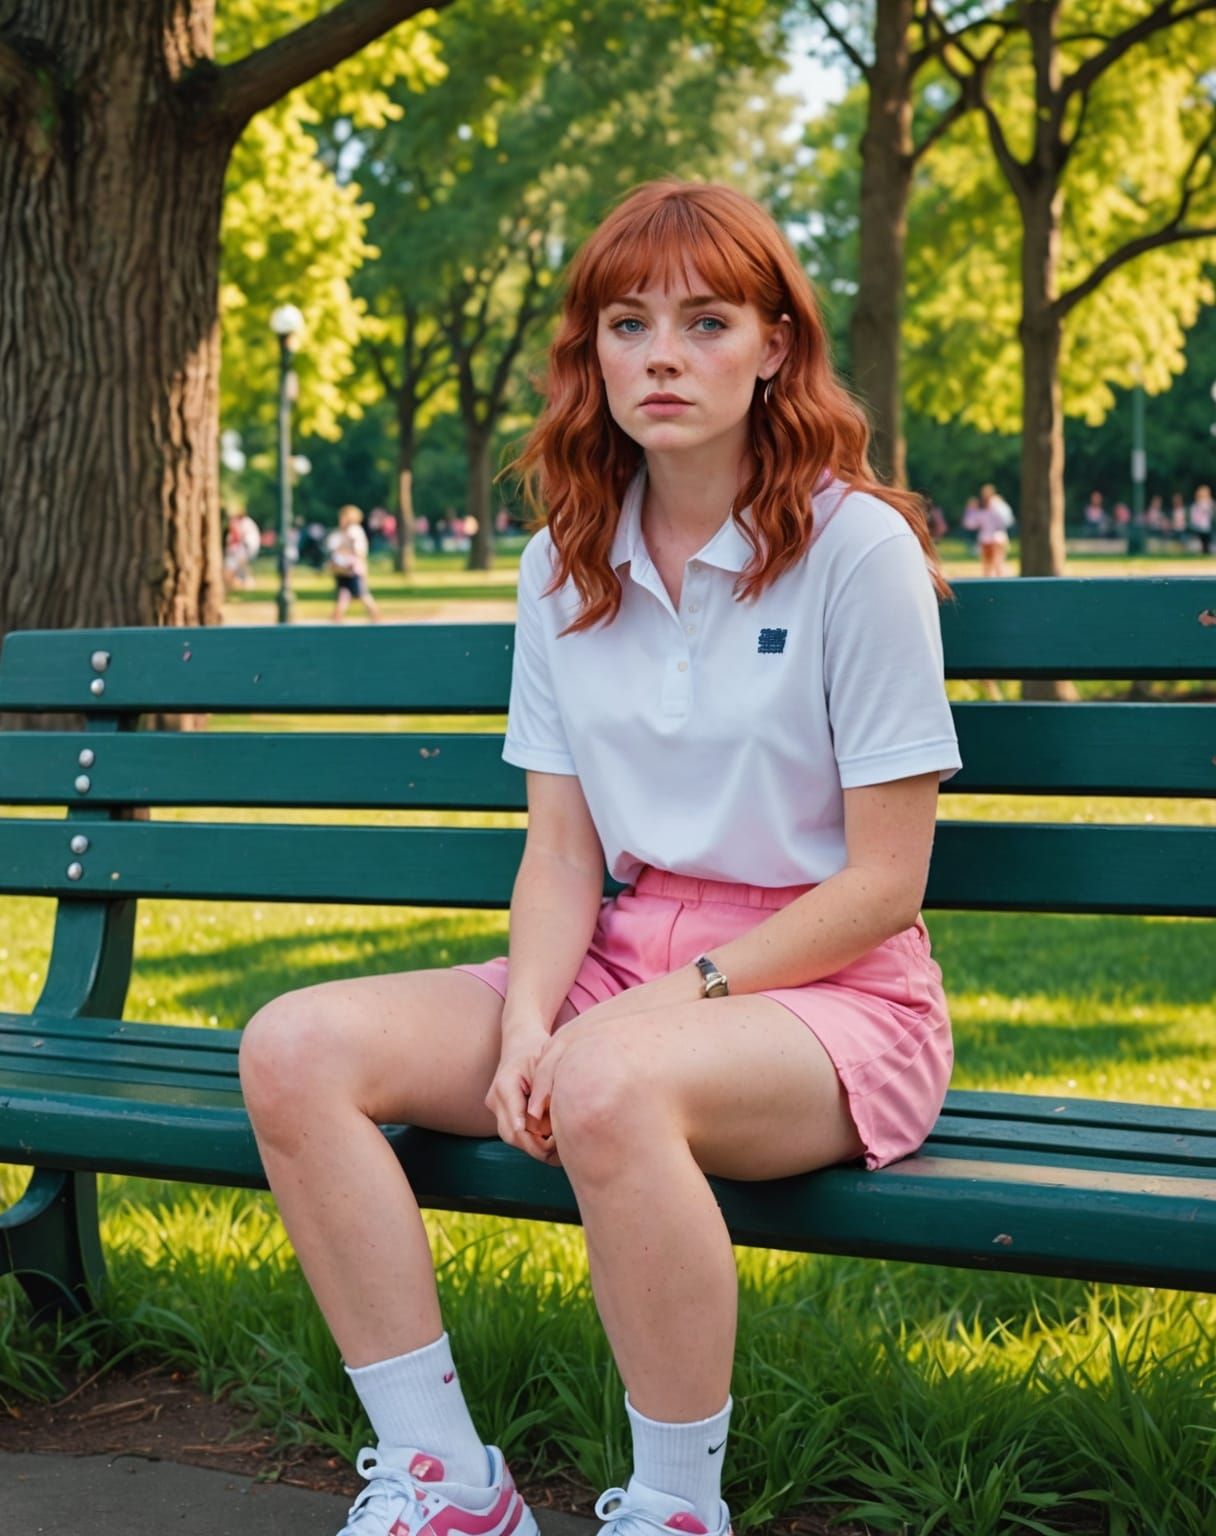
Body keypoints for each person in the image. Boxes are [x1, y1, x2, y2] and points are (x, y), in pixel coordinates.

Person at [238, 180, 960, 1536]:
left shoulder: (855, 549)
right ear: (593, 357)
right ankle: (448, 1480)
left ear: (776, 347)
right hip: (614, 965)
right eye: (628, 325)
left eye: (705, 321)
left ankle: (678, 1510)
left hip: (832, 993)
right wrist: (523, 1024)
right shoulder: (563, 561)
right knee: (293, 1045)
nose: (665, 356)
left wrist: (646, 1013)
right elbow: (561, 852)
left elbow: (883, 885)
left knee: (618, 1082)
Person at [326, 504, 381, 622]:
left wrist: (344, 553)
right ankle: (337, 617)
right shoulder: (341, 532)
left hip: (352, 570)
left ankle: (375, 615)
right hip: (343, 570)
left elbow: (358, 551)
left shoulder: (354, 532)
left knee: (362, 594)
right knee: (343, 594)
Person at [967, 483, 1013, 577]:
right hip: (985, 539)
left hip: (998, 538)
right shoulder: (980, 507)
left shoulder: (999, 505)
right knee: (987, 567)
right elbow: (970, 524)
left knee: (998, 564)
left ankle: (1001, 585)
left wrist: (995, 506)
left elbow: (1007, 521)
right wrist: (970, 510)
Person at [1190, 484, 1213, 555]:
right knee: (1202, 543)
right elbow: (1194, 516)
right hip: (1199, 527)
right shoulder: (1196, 505)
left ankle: (1206, 552)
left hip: (1207, 527)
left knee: (1207, 543)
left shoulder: (1210, 503)